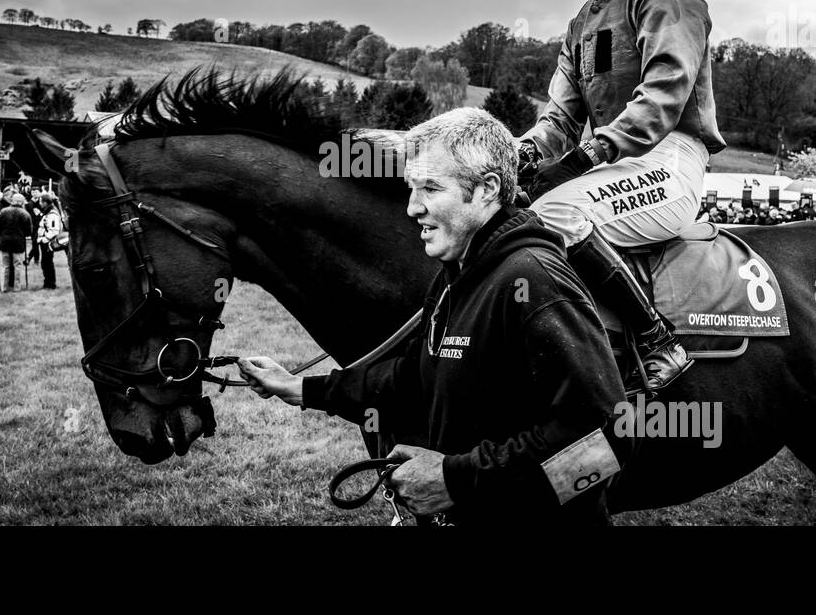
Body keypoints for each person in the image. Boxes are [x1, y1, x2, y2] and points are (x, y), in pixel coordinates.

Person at [237, 108, 626, 525]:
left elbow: (607, 439)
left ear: (486, 190)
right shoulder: (454, 276)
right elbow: (413, 378)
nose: (412, 208)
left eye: (430, 189)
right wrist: (302, 389)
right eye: (411, 188)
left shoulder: (534, 281)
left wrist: (454, 481)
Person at [516, 0, 725, 393]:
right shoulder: (580, 23)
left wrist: (591, 153)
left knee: (556, 213)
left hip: (671, 158)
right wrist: (516, 156)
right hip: (612, 163)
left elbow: (664, 96)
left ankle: (657, 342)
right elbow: (559, 120)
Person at [0, 192, 32, 292]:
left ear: (12, 201)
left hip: (5, 241)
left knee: (5, 265)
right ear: (22, 202)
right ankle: (17, 287)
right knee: (17, 265)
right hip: (18, 242)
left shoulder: (4, 211)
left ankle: (3, 287)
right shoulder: (25, 214)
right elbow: (29, 232)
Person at [35, 194, 61, 289]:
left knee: (47, 263)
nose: (40, 204)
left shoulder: (52, 214)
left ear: (45, 202)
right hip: (45, 241)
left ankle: (50, 284)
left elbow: (54, 230)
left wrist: (45, 239)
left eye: (41, 202)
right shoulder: (48, 212)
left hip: (48, 243)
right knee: (46, 263)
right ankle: (48, 282)